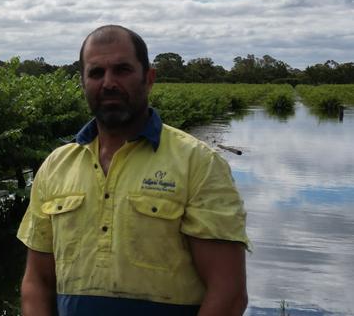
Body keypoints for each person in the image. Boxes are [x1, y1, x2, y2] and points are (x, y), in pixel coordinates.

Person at [17, 25, 249, 316]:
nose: (109, 83)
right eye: (96, 73)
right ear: (82, 83)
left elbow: (228, 295)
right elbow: (36, 282)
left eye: (122, 69)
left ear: (148, 78)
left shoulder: (198, 163)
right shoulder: (55, 166)